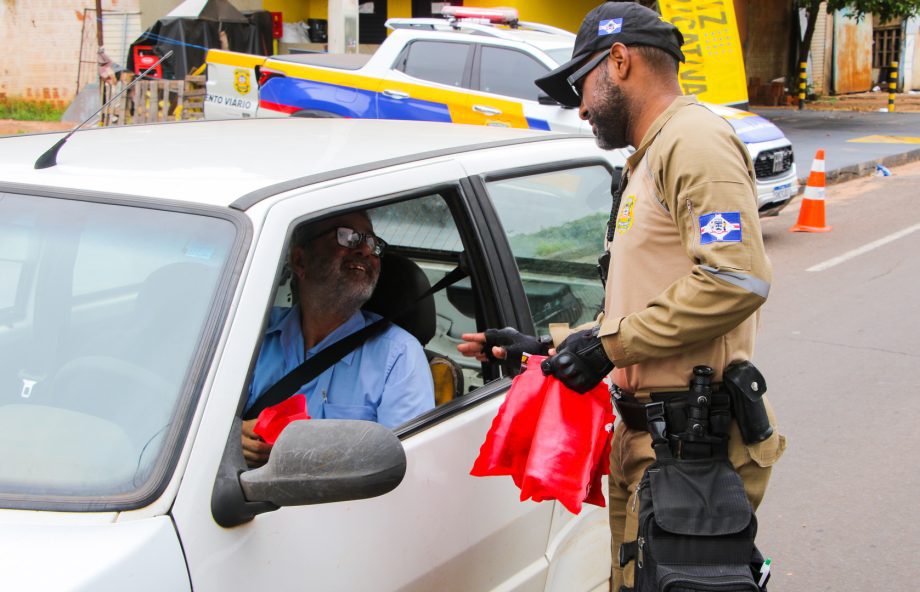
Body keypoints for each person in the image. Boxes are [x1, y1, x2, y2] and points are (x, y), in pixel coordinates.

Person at [460, 3, 785, 589]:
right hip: (656, 441)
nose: (581, 107)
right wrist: (549, 345)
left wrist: (605, 350)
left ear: (619, 60)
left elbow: (735, 279)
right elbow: (643, 304)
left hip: (690, 447)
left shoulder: (695, 141)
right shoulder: (654, 153)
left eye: (582, 85)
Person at [242, 211, 435, 467]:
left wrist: (311, 455)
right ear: (300, 260)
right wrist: (234, 435)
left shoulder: (399, 355)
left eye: (372, 242)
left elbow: (403, 466)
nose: (366, 250)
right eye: (348, 237)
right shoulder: (251, 331)